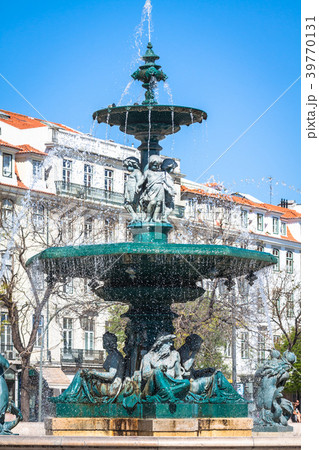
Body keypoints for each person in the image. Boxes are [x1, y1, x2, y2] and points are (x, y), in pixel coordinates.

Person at [56, 332, 124, 403]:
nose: (103, 343)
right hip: (108, 384)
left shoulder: (115, 356)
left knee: (81, 374)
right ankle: (68, 396)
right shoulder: (111, 355)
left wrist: (95, 373)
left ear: (109, 343)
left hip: (112, 388)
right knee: (83, 373)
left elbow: (111, 375)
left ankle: (69, 396)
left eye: (104, 341)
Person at [139, 334, 190, 402]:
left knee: (186, 383)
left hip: (171, 385)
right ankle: (169, 396)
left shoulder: (175, 355)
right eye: (168, 342)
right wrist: (158, 370)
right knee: (157, 371)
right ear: (160, 343)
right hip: (153, 389)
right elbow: (145, 376)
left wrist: (180, 385)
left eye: (171, 342)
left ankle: (161, 396)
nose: (171, 344)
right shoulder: (148, 357)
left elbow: (178, 376)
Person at [123, 157, 142, 222]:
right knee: (127, 204)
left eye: (128, 166)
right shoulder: (134, 172)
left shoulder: (137, 172)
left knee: (135, 204)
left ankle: (137, 216)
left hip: (133, 191)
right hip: (129, 191)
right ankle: (135, 216)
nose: (127, 168)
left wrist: (137, 188)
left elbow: (139, 181)